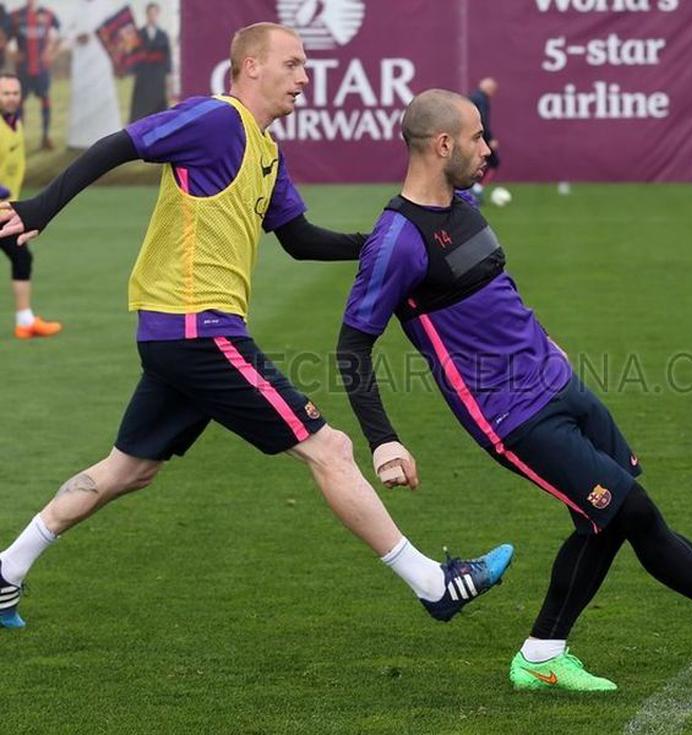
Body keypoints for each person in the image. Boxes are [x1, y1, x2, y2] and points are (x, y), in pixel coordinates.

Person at [0, 24, 512, 632]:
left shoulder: (265, 149)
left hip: (177, 335)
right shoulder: (217, 120)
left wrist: (387, 242)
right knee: (330, 447)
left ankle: (6, 569)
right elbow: (119, 144)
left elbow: (299, 239)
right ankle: (433, 584)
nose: (304, 78)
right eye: (292, 64)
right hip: (198, 328)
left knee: (129, 469)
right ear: (250, 67)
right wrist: (40, 208)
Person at [335, 88, 692, 692]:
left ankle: (543, 652)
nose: (487, 147)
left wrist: (545, 339)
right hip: (511, 414)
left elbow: (496, 290)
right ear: (443, 144)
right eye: (476, 137)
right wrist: (384, 441)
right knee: (631, 509)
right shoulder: (398, 240)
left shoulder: (463, 204)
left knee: (608, 519)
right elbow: (352, 347)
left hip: (559, 383)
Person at [0, 73, 60, 338]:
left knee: (22, 256)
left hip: (5, 210)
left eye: (15, 93)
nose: (11, 98)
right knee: (21, 256)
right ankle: (24, 321)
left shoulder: (15, 122)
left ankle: (25, 322)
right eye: (5, 93)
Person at [66, 0, 121, 149]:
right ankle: (80, 140)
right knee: (82, 98)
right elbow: (66, 32)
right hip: (81, 61)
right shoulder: (76, 7)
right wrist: (77, 36)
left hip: (101, 58)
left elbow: (115, 30)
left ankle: (108, 136)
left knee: (103, 96)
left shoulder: (106, 5)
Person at [9, 0, 59, 151]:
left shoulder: (48, 14)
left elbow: (57, 35)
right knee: (18, 102)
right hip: (23, 69)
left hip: (41, 68)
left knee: (45, 99)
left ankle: (45, 137)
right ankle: (17, 139)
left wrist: (51, 51)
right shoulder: (15, 15)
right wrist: (12, 53)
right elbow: (4, 38)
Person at [129, 2, 172, 122]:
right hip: (143, 74)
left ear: (157, 15)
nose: (152, 16)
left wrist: (168, 74)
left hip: (158, 74)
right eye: (150, 14)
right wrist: (134, 70)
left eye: (154, 14)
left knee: (158, 103)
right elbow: (134, 54)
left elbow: (167, 55)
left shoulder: (163, 35)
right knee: (141, 103)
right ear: (146, 15)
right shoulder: (139, 34)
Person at [467, 77, 499, 201]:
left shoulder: (473, 97)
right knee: (494, 162)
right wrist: (490, 139)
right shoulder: (482, 100)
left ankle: (472, 189)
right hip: (479, 137)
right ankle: (476, 189)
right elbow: (482, 121)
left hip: (469, 136)